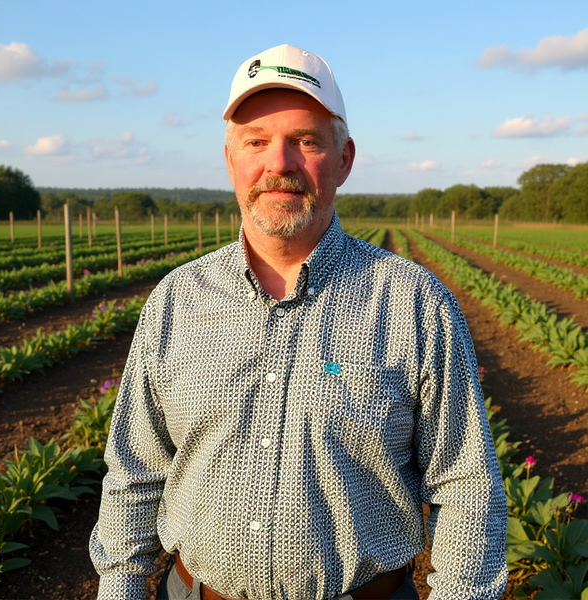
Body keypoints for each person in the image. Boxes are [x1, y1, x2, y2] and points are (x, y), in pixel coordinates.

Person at [90, 44, 508, 600]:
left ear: (344, 160)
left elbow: (467, 488)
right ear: (230, 158)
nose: (278, 163)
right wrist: (119, 588)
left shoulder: (414, 303)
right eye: (255, 142)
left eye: (305, 141)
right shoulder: (177, 301)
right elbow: (134, 474)